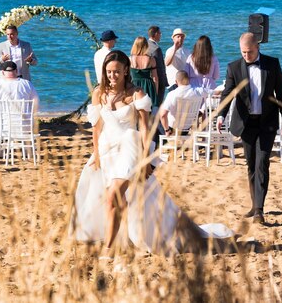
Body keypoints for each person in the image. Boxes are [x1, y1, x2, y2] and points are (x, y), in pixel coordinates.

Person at [72, 50, 235, 256]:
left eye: (116, 72)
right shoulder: (99, 93)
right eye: (109, 72)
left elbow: (144, 129)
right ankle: (122, 234)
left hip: (130, 147)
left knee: (114, 195)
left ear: (125, 71)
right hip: (106, 150)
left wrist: (146, 160)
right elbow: (96, 128)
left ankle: (108, 249)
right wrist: (95, 154)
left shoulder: (136, 94)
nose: (112, 76)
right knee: (116, 198)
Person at [217, 32, 282, 225]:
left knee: (262, 163)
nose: (246, 56)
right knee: (251, 164)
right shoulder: (233, 67)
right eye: (243, 52)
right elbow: (228, 93)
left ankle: (259, 209)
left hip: (267, 122)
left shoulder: (272, 64)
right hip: (246, 123)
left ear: (257, 47)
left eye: (249, 52)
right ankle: (254, 204)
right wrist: (220, 115)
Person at [0, 60, 39, 150]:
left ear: (2, 72)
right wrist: (31, 115)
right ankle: (27, 151)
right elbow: (36, 103)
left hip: (2, 128)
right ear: (17, 71)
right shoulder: (26, 84)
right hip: (24, 127)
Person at [159, 70, 206, 135]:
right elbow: (214, 93)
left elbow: (163, 115)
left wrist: (167, 130)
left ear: (176, 82)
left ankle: (162, 141)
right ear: (188, 80)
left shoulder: (172, 94)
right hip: (187, 128)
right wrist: (203, 109)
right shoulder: (198, 91)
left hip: (172, 129)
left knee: (157, 119)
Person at [129, 36, 158, 107]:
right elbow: (155, 78)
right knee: (149, 109)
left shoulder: (130, 59)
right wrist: (155, 92)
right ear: (146, 46)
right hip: (148, 86)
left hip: (135, 85)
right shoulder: (151, 59)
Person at [147, 26, 168, 106]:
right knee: (157, 104)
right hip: (157, 81)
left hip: (148, 79)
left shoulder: (145, 45)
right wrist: (163, 82)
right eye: (160, 33)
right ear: (155, 34)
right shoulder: (156, 49)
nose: (160, 35)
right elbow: (160, 68)